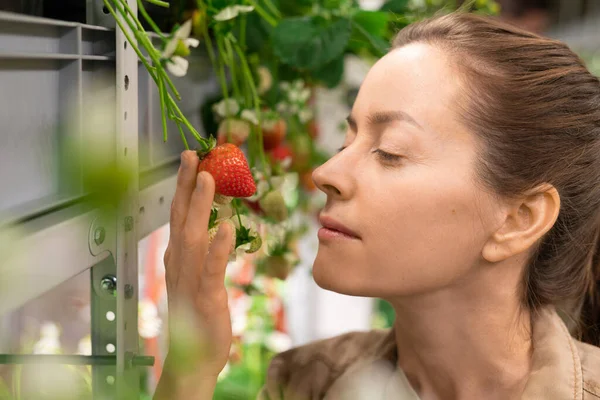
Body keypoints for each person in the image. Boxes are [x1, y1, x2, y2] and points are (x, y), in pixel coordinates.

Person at [154, 11, 600, 400]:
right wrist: (189, 369)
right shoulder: (301, 382)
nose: (325, 173)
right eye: (348, 140)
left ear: (519, 219)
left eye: (390, 151)